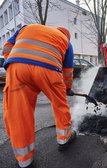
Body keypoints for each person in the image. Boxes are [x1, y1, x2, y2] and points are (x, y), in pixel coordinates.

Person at [2, 24, 76, 168]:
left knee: (18, 113)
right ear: (66, 36)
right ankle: (64, 138)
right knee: (60, 104)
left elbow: (7, 46)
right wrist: (67, 88)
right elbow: (67, 70)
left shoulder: (28, 27)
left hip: (17, 68)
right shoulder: (66, 42)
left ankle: (24, 159)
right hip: (49, 69)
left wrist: (12, 61)